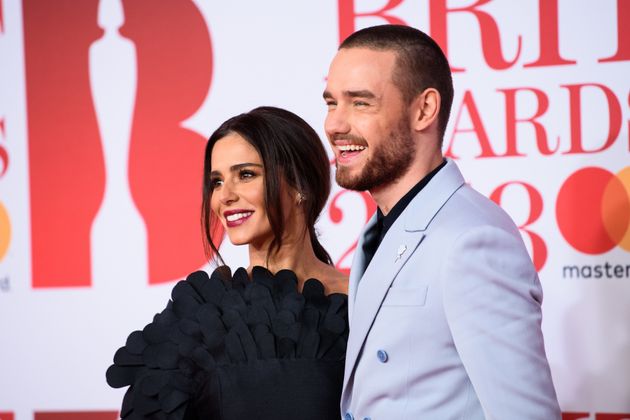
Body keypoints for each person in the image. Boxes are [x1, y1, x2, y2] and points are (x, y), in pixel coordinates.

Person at [323, 25, 561, 419]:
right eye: (332, 103)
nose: (334, 124)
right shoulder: (378, 233)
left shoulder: (472, 240)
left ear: (424, 110)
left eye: (360, 103)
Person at [106, 106, 348, 419]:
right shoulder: (198, 319)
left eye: (245, 175)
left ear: (301, 184)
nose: (225, 196)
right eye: (217, 181)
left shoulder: (362, 301)